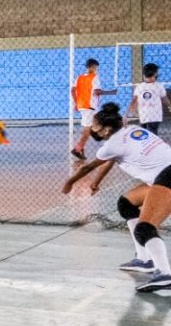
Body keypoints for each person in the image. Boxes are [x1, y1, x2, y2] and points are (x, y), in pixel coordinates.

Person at [63, 102, 171, 292]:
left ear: (106, 130)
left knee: (145, 229)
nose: (92, 130)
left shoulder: (111, 146)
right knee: (126, 203)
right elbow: (110, 160)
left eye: (94, 127)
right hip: (163, 175)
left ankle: (165, 274)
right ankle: (144, 259)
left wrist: (69, 182)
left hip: (168, 176)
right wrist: (97, 182)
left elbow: (88, 167)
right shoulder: (132, 130)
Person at [72, 58, 111, 160]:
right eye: (96, 68)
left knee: (92, 127)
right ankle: (78, 148)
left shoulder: (79, 77)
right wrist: (110, 92)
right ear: (93, 67)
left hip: (82, 106)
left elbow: (72, 90)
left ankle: (80, 148)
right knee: (90, 128)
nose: (96, 69)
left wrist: (76, 103)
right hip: (90, 107)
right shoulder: (94, 77)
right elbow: (97, 92)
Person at [132, 63, 166, 136]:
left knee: (144, 133)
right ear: (155, 73)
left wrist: (134, 109)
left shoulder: (139, 87)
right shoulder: (159, 86)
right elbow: (164, 99)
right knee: (153, 133)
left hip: (144, 115)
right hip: (155, 116)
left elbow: (134, 100)